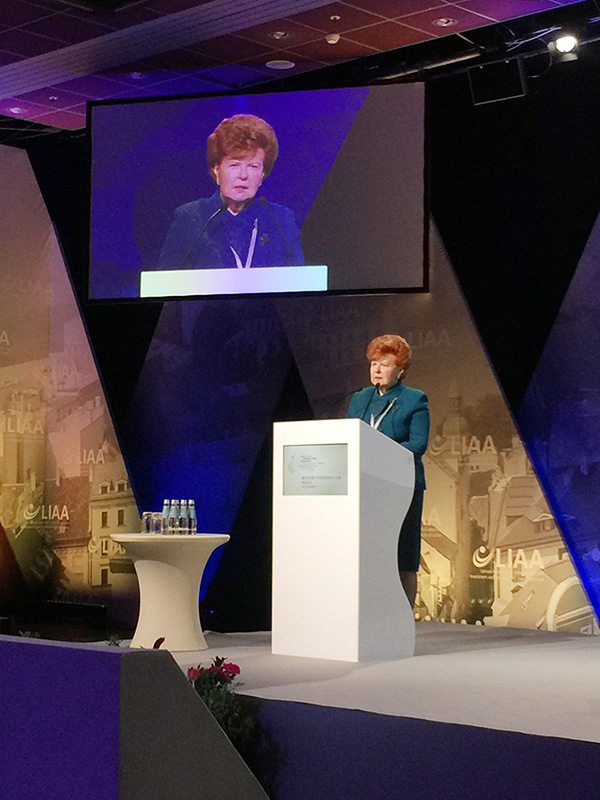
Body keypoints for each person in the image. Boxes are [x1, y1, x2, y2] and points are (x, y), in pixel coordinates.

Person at [158, 114, 305, 270]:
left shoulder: (281, 220)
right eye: (234, 165)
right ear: (216, 170)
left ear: (263, 174)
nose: (243, 175)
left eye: (253, 166)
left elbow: (301, 279)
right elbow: (166, 279)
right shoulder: (190, 218)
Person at [346, 334, 429, 608]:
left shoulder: (414, 399)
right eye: (374, 364)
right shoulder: (360, 398)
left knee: (403, 554)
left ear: (400, 370)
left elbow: (417, 444)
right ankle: (370, 613)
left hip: (402, 485)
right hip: (366, 485)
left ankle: (403, 617)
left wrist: (377, 450)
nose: (377, 370)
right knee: (369, 553)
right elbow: (348, 436)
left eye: (384, 364)